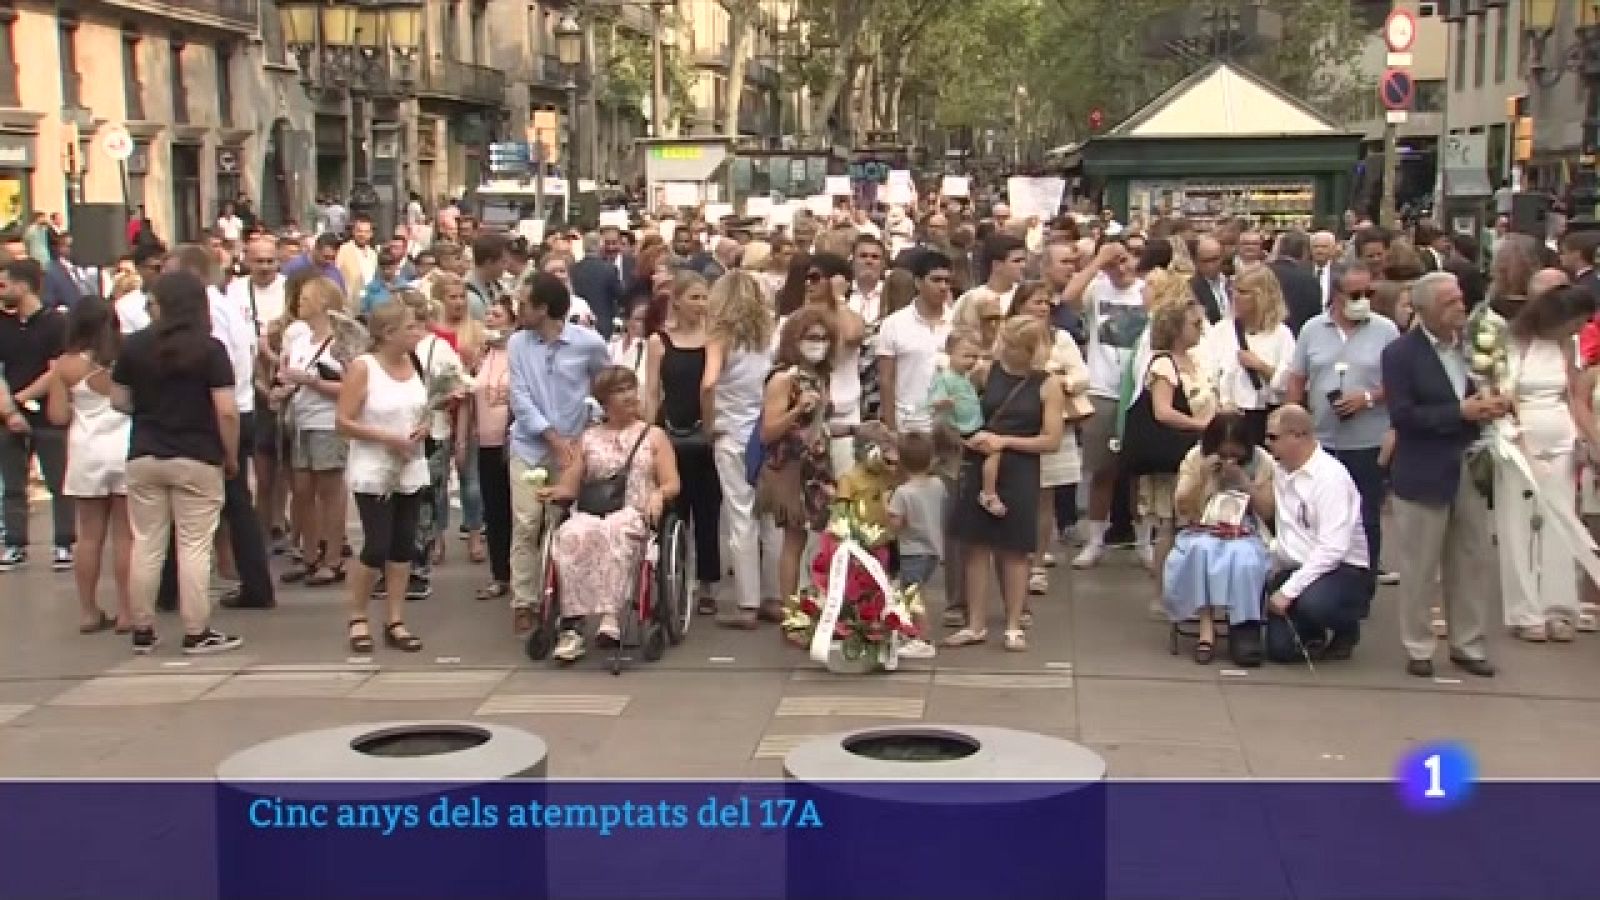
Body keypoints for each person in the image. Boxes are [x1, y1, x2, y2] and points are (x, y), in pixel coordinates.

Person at [110, 270, 243, 655]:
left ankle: (142, 626)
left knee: (147, 542)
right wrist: (229, 454)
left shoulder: (134, 347)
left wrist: (147, 410)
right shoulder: (210, 350)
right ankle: (196, 628)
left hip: (146, 451)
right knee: (194, 544)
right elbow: (227, 411)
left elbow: (119, 400)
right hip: (197, 454)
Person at [1383, 271, 1501, 678]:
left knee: (1471, 558)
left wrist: (1491, 406)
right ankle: (1418, 645)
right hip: (1423, 469)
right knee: (1420, 564)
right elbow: (1403, 415)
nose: (1460, 307)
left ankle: (1468, 642)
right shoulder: (1401, 354)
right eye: (1450, 302)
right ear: (1426, 309)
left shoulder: (1474, 349)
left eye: (1460, 299)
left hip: (1469, 465)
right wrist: (1458, 413)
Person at [540, 366, 681, 662]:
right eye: (619, 391)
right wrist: (556, 491)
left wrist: (658, 494)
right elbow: (572, 482)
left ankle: (611, 617)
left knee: (615, 533)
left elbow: (672, 483)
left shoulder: (654, 436)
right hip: (593, 511)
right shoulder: (588, 438)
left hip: (634, 511)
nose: (630, 395)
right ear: (604, 401)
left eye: (631, 388)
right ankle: (572, 625)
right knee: (572, 534)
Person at [943, 316, 1065, 653]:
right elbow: (961, 410)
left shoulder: (1048, 384)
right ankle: (976, 622)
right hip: (981, 462)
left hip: (1021, 467)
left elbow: (1051, 439)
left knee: (1015, 549)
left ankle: (1013, 623)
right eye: (1005, 343)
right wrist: (967, 437)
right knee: (976, 546)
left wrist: (1005, 442)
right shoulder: (985, 372)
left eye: (1015, 347)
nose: (1007, 351)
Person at [506, 273, 610, 633]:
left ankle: (565, 596)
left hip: (574, 448)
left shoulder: (588, 344)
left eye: (524, 303)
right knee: (526, 521)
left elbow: (606, 385)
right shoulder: (518, 344)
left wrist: (591, 422)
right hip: (530, 444)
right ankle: (524, 599)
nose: (518, 310)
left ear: (544, 308)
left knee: (562, 524)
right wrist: (549, 435)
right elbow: (519, 396)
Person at [1287, 266, 1401, 586]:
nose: (1364, 300)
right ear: (1336, 296)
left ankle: (1363, 583)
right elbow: (1297, 378)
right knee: (1318, 511)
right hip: (1321, 439)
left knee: (1365, 514)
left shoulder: (1386, 331)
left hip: (1368, 439)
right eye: (1355, 295)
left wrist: (1368, 397)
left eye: (1369, 294)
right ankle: (1320, 576)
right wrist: (1293, 421)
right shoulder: (1312, 330)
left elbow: (1401, 382)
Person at [1497, 284, 1597, 642]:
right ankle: (1525, 610)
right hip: (1519, 440)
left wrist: (1587, 441)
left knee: (1560, 523)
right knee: (1519, 524)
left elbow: (1572, 395)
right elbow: (1504, 393)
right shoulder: (1515, 342)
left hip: (1561, 439)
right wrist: (1519, 440)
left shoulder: (1565, 346)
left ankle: (1559, 605)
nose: (1578, 329)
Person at [335, 300, 429, 654]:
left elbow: (420, 407)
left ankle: (395, 618)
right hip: (375, 467)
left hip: (410, 463)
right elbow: (343, 422)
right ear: (388, 334)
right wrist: (385, 437)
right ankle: (358, 616)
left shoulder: (413, 363)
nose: (418, 334)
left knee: (404, 544)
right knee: (377, 543)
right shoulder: (364, 368)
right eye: (411, 328)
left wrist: (422, 428)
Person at [1259, 405, 1371, 664]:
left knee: (1314, 604)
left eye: (1273, 437)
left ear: (1297, 436)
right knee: (1280, 652)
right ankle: (1310, 632)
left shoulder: (1331, 478)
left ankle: (1347, 627)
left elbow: (1333, 549)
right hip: (1296, 566)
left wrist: (1288, 592)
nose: (1267, 444)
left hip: (1341, 569)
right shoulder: (1280, 470)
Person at [46, 297, 132, 633]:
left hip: (86, 450)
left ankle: (88, 611)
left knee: (89, 535)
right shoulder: (125, 357)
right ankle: (127, 612)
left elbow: (57, 416)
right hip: (124, 446)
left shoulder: (65, 366)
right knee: (126, 537)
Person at [1164, 412, 1274, 665]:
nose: (1229, 461)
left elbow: (1268, 511)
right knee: (1201, 551)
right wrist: (1203, 479)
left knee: (1244, 558)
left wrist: (1245, 483)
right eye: (1224, 455)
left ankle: (1244, 627)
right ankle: (1206, 628)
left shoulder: (1262, 461)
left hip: (1245, 528)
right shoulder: (1196, 457)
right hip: (1202, 526)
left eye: (1235, 456)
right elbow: (1182, 507)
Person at [643, 271, 720, 612]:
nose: (701, 306)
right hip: (669, 428)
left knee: (707, 508)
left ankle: (706, 584)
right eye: (694, 298)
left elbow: (714, 387)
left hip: (703, 431)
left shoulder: (714, 340)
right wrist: (645, 431)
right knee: (673, 505)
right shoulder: (659, 341)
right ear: (677, 301)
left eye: (705, 298)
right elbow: (650, 391)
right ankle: (670, 576)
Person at [701, 270, 776, 624]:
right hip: (764, 429)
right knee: (770, 516)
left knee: (740, 516)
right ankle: (775, 595)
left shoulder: (719, 336)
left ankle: (747, 602)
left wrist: (708, 422)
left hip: (731, 430)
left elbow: (709, 382)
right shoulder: (767, 336)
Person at [755, 305, 838, 614]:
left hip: (817, 464)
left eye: (824, 337)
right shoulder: (782, 379)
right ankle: (790, 608)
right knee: (794, 537)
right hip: (791, 466)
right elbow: (768, 432)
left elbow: (821, 425)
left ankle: (808, 599)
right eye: (811, 337)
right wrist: (796, 408)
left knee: (816, 536)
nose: (819, 343)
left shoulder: (819, 376)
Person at [274, 277, 349, 587]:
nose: (299, 302)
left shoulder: (340, 343)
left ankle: (333, 557)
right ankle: (309, 554)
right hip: (301, 421)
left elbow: (351, 387)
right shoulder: (301, 341)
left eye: (306, 297)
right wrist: (284, 389)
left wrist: (312, 382)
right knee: (302, 490)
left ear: (323, 302)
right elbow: (291, 378)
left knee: (329, 491)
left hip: (327, 422)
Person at [0, 257, 73, 571]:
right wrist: (8, 409)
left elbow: (56, 370)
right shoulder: (2, 324)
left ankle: (64, 542)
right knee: (13, 483)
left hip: (47, 413)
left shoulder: (56, 323)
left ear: (23, 285)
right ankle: (15, 543)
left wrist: (22, 398)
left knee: (59, 480)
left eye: (4, 284)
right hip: (9, 416)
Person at [458, 295, 516, 602]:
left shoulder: (519, 353)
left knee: (519, 510)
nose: (491, 319)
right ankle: (499, 574)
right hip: (486, 442)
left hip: (513, 442)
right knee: (493, 510)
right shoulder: (481, 356)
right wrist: (462, 439)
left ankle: (523, 572)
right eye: (489, 314)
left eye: (497, 314)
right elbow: (469, 395)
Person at [1204, 264, 1295, 446]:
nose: (1235, 297)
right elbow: (1208, 374)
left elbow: (1289, 383)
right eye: (1234, 290)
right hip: (1228, 417)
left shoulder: (1281, 334)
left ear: (1262, 297)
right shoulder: (1222, 331)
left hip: (1265, 418)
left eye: (1243, 292)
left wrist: (1260, 367)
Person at [886, 431, 943, 660]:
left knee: (912, 593)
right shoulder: (937, 484)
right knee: (916, 590)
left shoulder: (902, 493)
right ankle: (913, 632)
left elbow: (896, 523)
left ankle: (923, 638)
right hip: (933, 549)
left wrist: (884, 506)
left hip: (912, 551)